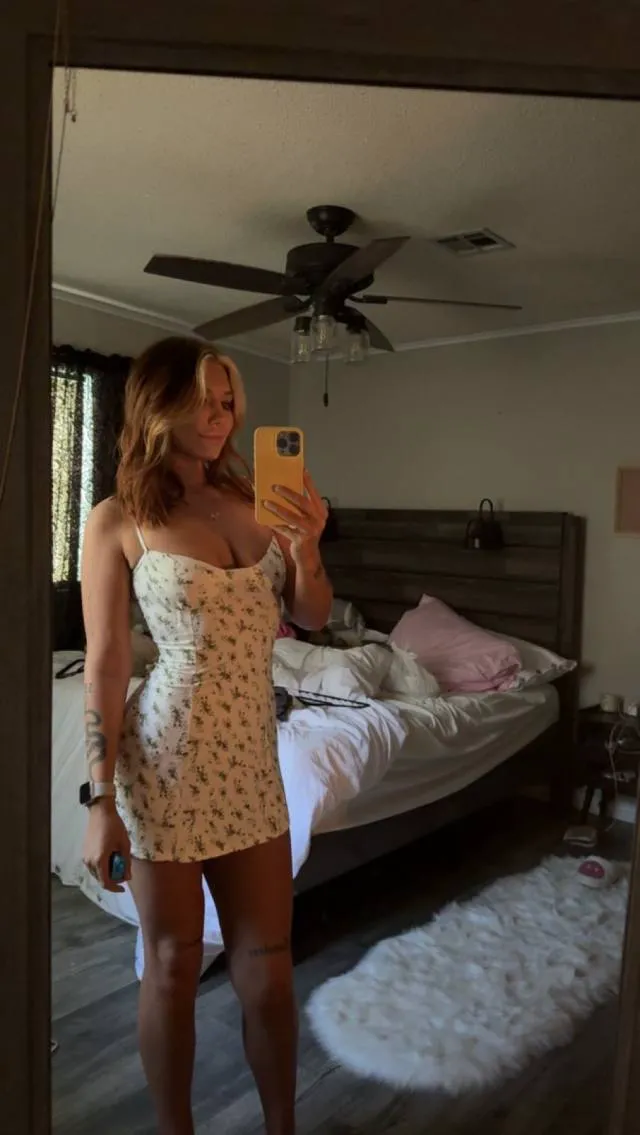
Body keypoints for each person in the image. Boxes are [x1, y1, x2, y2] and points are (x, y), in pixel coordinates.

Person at [80, 336, 332, 1135]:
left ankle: (283, 1125)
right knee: (173, 965)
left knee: (269, 972)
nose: (222, 417)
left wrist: (307, 548)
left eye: (229, 402)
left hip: (251, 766)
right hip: (162, 767)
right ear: (159, 405)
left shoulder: (262, 500)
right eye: (205, 401)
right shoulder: (118, 519)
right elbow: (107, 661)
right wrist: (100, 800)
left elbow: (313, 615)